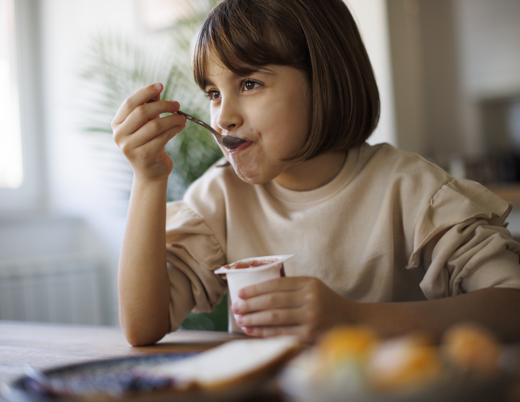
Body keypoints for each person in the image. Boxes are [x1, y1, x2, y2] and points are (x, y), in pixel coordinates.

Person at [112, 0, 520, 347]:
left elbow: (511, 303)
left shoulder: (410, 190)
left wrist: (353, 318)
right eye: (214, 94)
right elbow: (144, 326)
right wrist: (148, 180)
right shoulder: (220, 197)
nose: (223, 117)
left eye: (250, 83)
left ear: (324, 80)